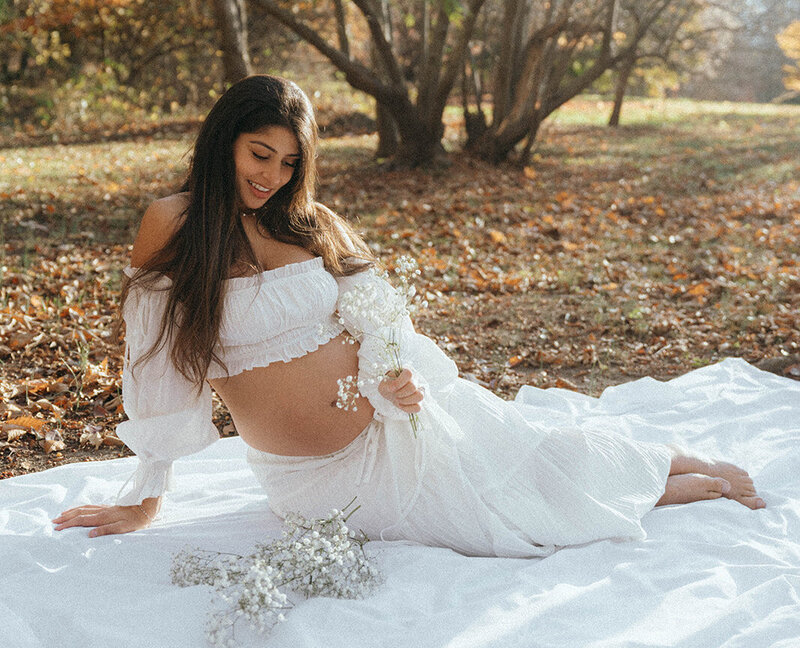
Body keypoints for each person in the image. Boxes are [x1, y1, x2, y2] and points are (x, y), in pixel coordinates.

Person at [53, 76, 765, 556]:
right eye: (259, 154)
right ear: (224, 141)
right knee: (492, 525)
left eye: (290, 164)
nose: (271, 176)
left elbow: (380, 314)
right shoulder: (173, 223)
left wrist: (394, 376)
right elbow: (157, 360)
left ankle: (668, 465)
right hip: (315, 480)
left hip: (400, 421)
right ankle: (652, 486)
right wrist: (147, 496)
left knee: (534, 459)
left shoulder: (310, 223)